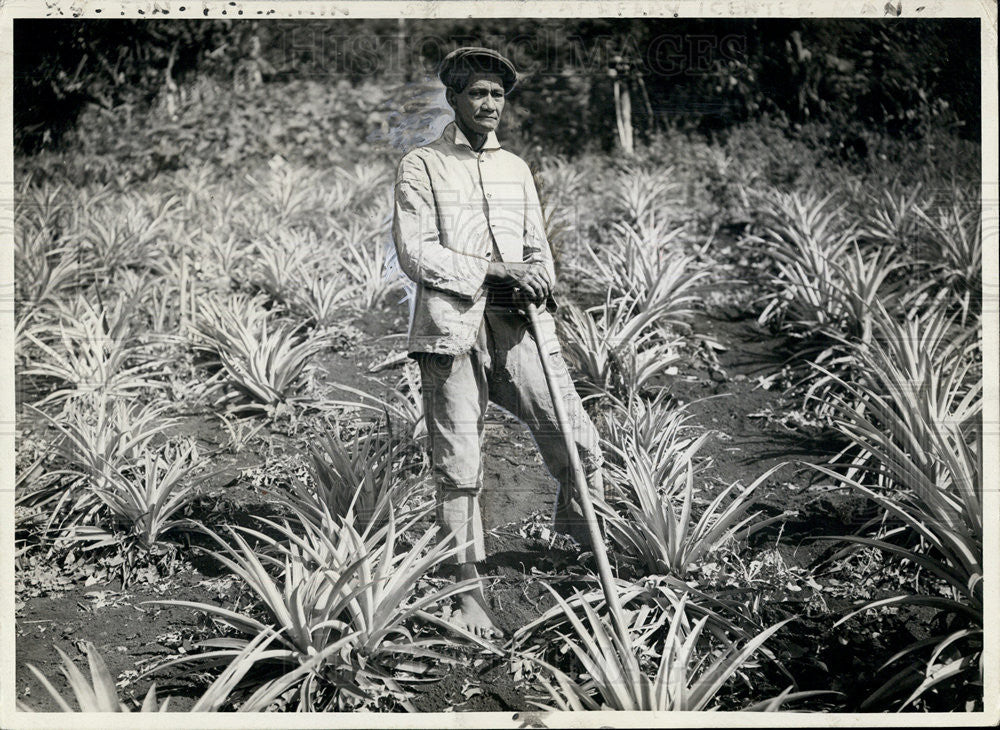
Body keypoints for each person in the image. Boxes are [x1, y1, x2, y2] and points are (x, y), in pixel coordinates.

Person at [391, 47, 605, 639]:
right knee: (459, 464)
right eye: (478, 93)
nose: (489, 104)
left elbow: (538, 248)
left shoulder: (516, 168)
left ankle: (578, 550)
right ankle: (468, 592)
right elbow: (417, 253)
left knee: (577, 441)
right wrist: (495, 270)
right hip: (452, 327)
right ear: (455, 99)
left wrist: (535, 275)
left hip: (519, 326)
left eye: (497, 94)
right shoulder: (422, 164)